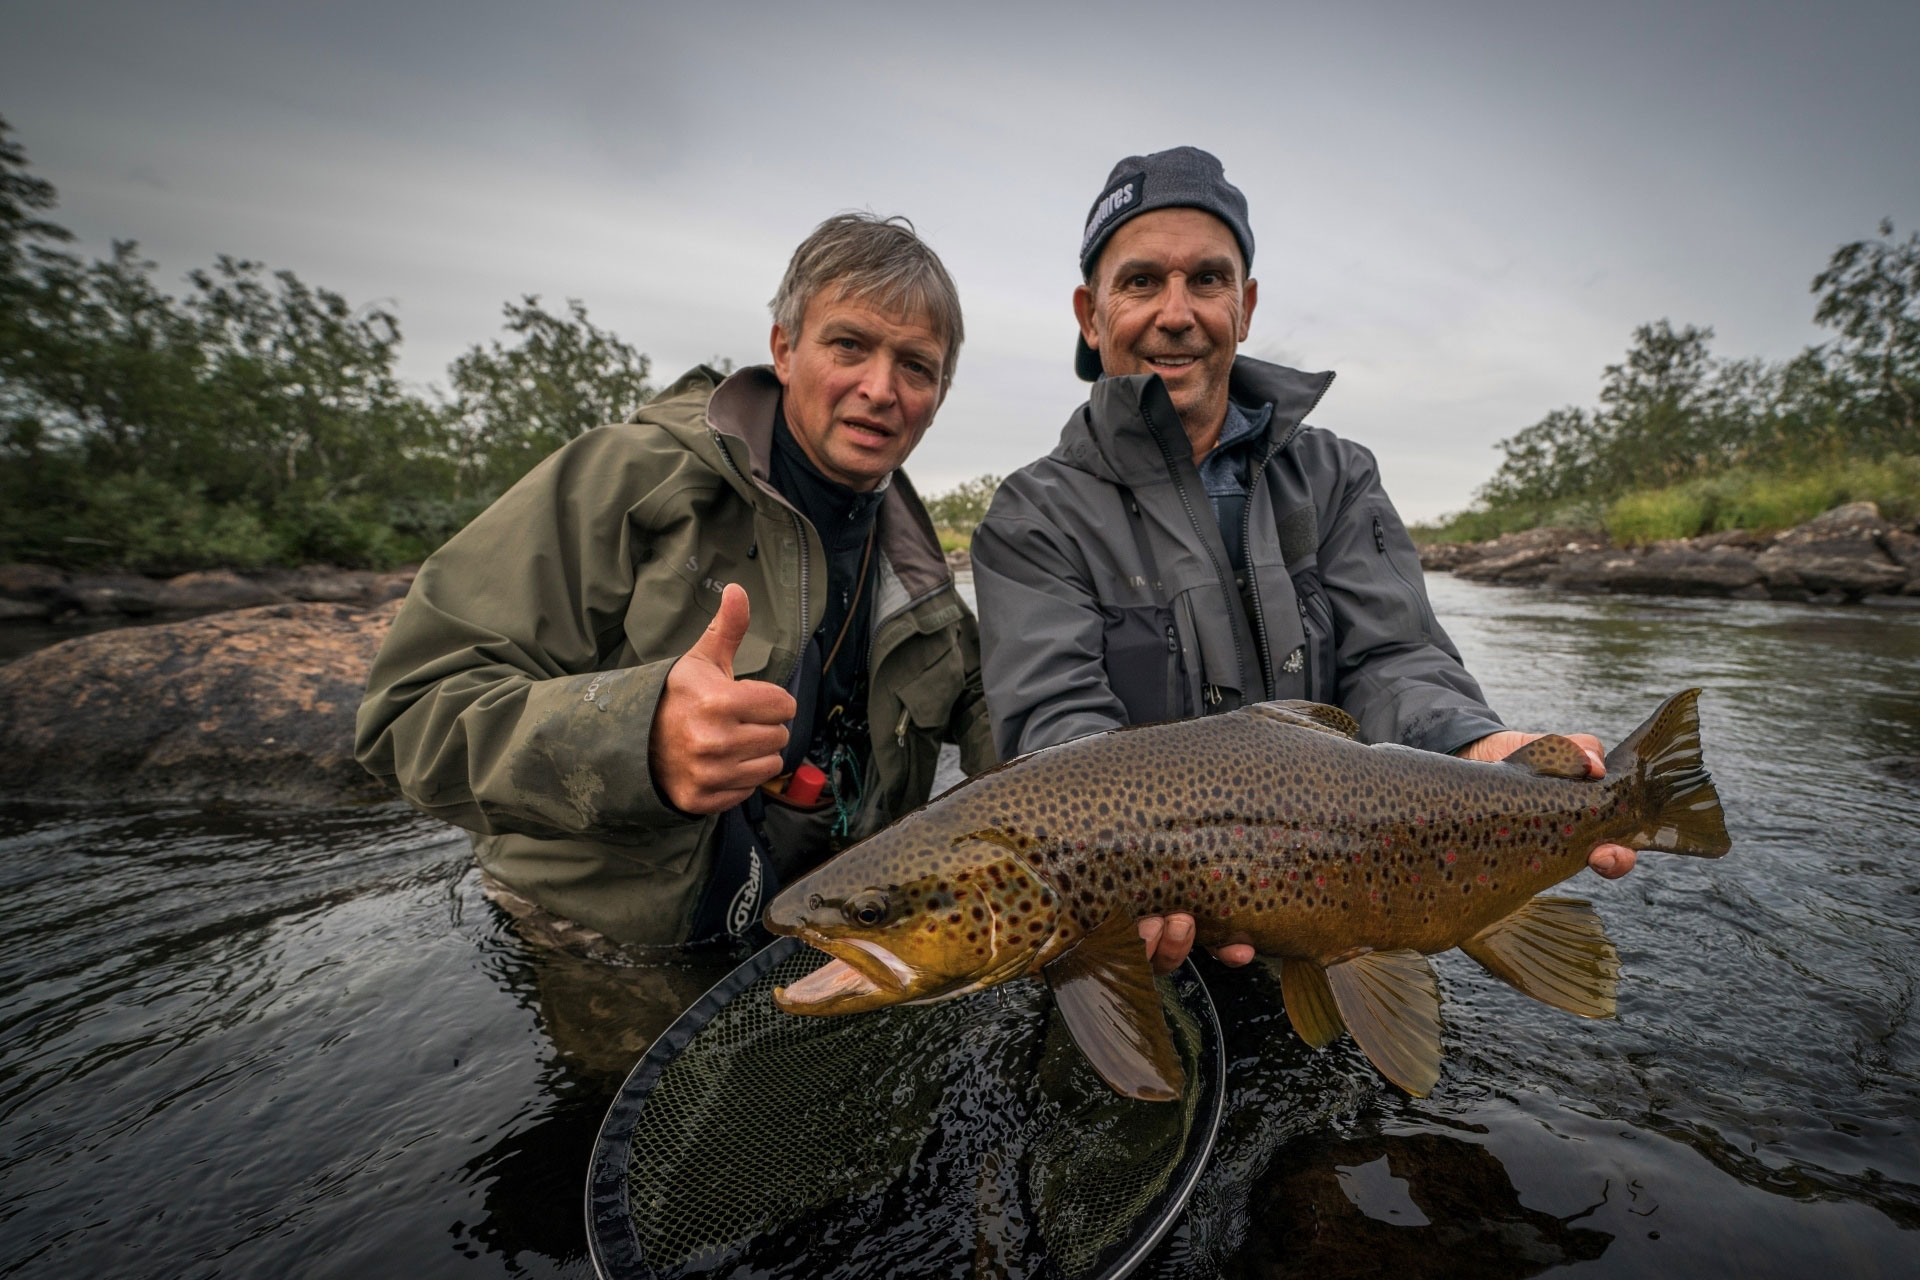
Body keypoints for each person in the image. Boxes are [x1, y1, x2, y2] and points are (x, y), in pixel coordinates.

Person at [970, 147, 1634, 974]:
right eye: (1140, 281)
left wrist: (1475, 746)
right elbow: (1054, 727)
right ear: (1089, 312)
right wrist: (1113, 863)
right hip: (1143, 934)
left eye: (1207, 280)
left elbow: (1395, 657)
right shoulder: (1032, 515)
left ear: (1244, 307)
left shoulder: (1338, 476)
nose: (1175, 313)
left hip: (1354, 901)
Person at [356, 213, 994, 950]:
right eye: (849, 344)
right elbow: (408, 712)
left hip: (822, 926)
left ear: (940, 393)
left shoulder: (921, 567)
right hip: (603, 944)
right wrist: (637, 738)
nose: (881, 388)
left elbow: (994, 710)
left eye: (916, 365)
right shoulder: (624, 478)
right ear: (784, 349)